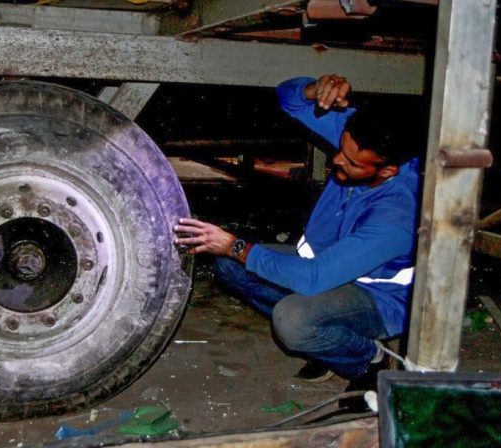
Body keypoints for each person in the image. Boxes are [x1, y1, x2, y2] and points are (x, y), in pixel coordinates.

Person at [173, 74, 420, 394]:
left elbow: (313, 278)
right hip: (327, 266)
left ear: (387, 172)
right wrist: (315, 89)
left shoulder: (395, 217)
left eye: (351, 163)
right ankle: (327, 339)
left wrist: (234, 244)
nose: (336, 160)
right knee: (231, 266)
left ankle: (368, 359)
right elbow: (288, 99)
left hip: (374, 298)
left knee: (292, 321)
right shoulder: (358, 142)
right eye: (341, 149)